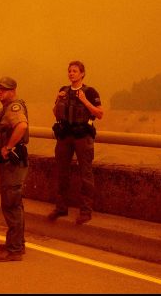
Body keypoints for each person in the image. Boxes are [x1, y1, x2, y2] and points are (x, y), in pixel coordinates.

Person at [49, 60, 104, 225]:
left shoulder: (90, 91)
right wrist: (57, 99)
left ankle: (86, 211)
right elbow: (55, 114)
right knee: (61, 172)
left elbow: (100, 113)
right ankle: (61, 207)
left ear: (82, 74)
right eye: (69, 71)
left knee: (86, 174)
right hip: (65, 136)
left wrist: (85, 101)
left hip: (82, 136)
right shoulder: (63, 91)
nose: (71, 73)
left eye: (74, 71)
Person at [0, 76, 29, 262]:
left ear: (13, 91)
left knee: (11, 205)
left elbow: (22, 126)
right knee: (15, 204)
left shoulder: (13, 107)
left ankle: (14, 250)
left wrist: (8, 147)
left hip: (12, 162)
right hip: (10, 163)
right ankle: (17, 242)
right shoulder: (5, 108)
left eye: (3, 89)